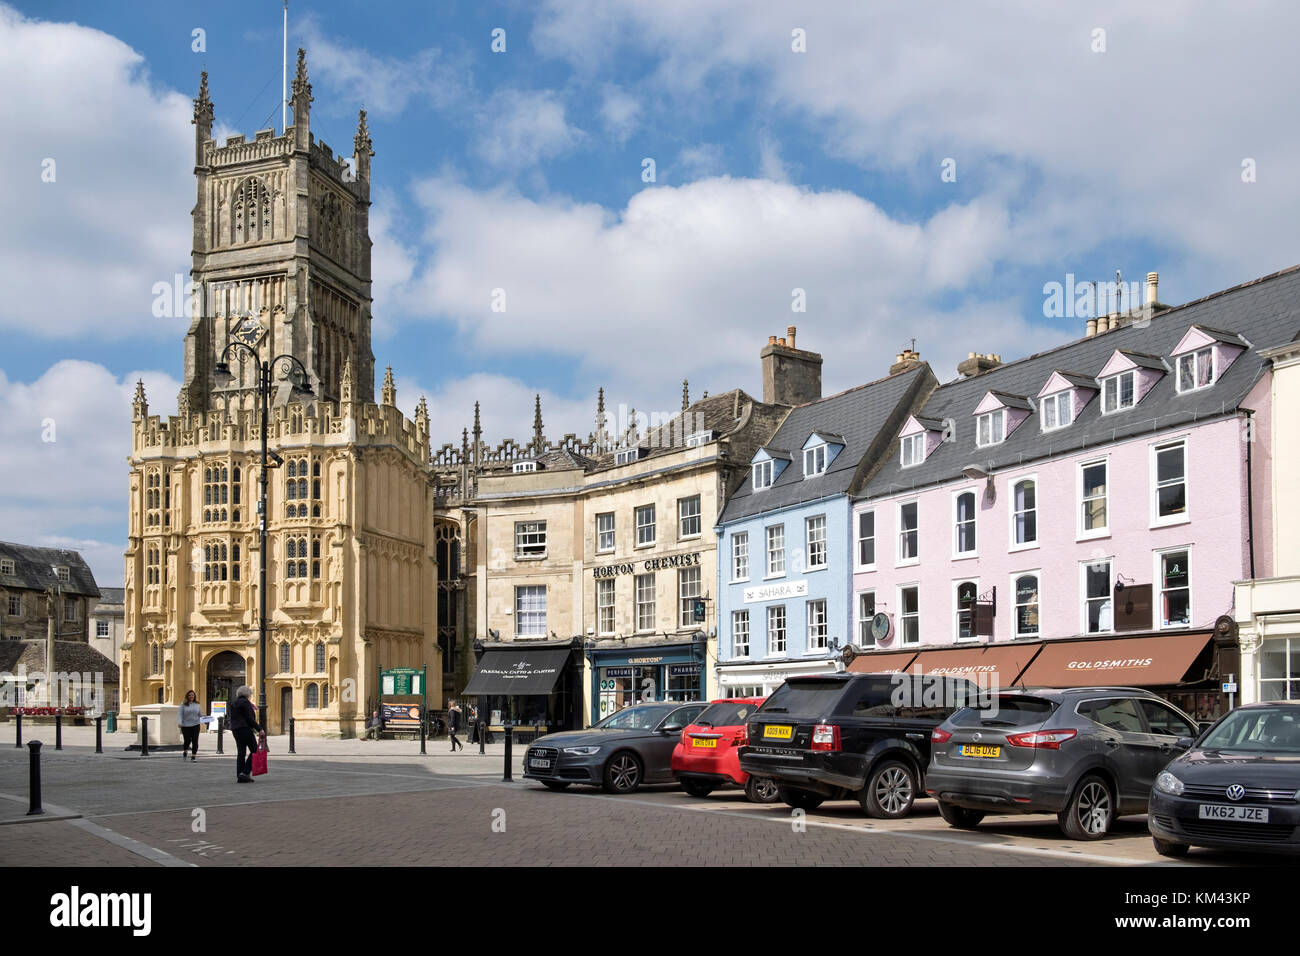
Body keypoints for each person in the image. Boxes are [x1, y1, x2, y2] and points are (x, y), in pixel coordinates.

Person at [228, 685, 262, 783]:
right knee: (255, 750)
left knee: (241, 752)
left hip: (236, 730)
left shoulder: (234, 703)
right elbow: (249, 718)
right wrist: (259, 729)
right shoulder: (245, 703)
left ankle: (240, 775)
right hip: (245, 729)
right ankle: (245, 772)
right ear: (247, 694)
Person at [177, 690, 202, 761]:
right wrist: (180, 722)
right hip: (185, 725)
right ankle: (185, 751)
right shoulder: (183, 704)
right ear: (187, 696)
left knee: (195, 740)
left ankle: (193, 756)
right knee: (187, 740)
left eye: (192, 695)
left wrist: (206, 719)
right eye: (190, 695)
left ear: (194, 696)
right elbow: (180, 714)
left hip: (196, 724)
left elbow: (200, 714)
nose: (191, 696)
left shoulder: (197, 704)